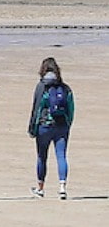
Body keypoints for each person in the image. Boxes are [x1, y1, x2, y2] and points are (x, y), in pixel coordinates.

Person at [28, 56, 75, 200]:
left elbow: (36, 108)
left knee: (42, 156)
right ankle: (62, 187)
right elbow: (71, 108)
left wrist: (32, 128)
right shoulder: (65, 88)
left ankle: (41, 188)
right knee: (61, 156)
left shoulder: (41, 86)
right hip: (62, 126)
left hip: (44, 126)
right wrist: (68, 124)